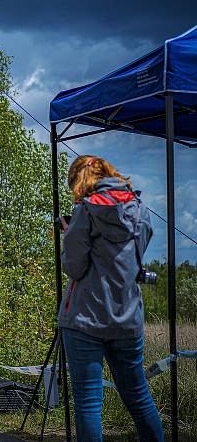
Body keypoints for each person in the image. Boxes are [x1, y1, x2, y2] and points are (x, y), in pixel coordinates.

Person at [58, 155, 163, 442]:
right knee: (139, 397)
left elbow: (74, 267)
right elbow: (132, 262)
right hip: (128, 316)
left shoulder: (86, 210)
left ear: (80, 181)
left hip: (84, 318)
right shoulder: (140, 210)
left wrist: (69, 237)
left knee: (89, 403)